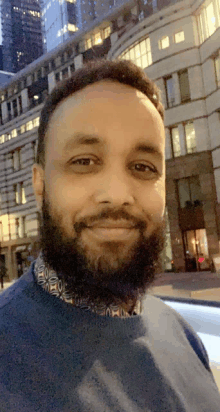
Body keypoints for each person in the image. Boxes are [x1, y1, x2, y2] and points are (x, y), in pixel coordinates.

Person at [0, 59, 219, 411]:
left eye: (143, 167)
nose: (117, 194)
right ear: (40, 187)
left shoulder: (182, 333)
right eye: (84, 161)